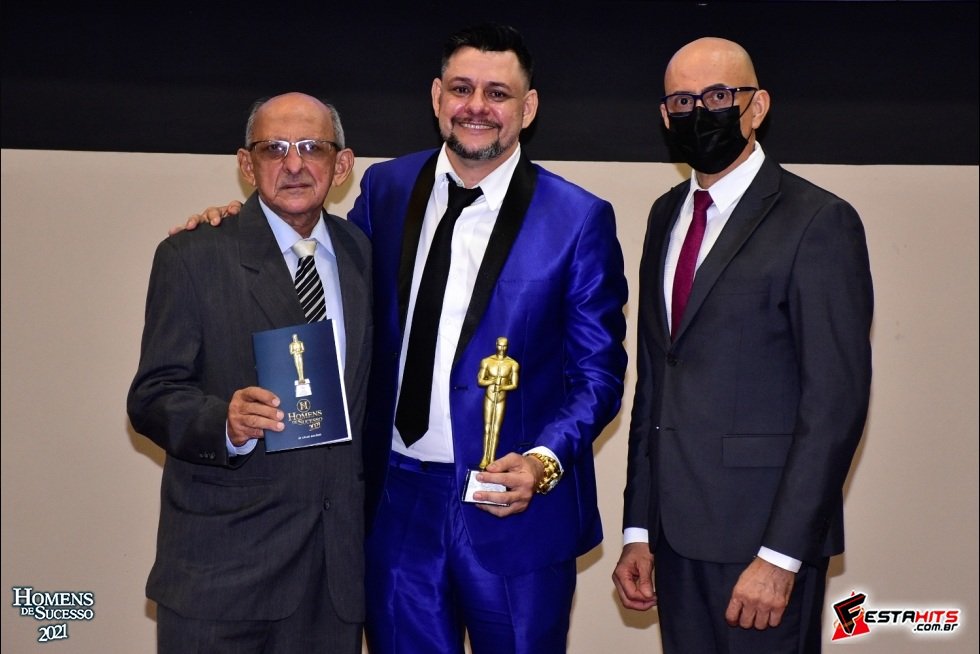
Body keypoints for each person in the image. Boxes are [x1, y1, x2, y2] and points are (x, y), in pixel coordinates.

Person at [178, 23, 627, 654]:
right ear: (437, 97)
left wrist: (543, 462)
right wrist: (238, 224)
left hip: (513, 507)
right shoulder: (386, 189)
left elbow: (598, 375)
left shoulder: (578, 218)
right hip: (395, 502)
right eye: (462, 89)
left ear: (528, 108)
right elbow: (316, 260)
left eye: (497, 93)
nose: (477, 106)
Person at [612, 37, 873, 654]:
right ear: (665, 115)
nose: (700, 111)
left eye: (718, 95)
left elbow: (833, 406)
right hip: (672, 543)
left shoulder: (818, 221)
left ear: (757, 107)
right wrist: (638, 529)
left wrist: (781, 556)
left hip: (761, 548)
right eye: (683, 101)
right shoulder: (664, 215)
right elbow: (656, 380)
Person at [128, 92, 372, 653]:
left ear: (341, 165)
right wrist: (225, 423)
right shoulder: (193, 256)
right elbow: (152, 396)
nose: (294, 164)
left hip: (333, 580)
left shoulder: (362, 254)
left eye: (311, 147)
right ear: (246, 164)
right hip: (224, 576)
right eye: (274, 149)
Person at [477, 336, 519, 469]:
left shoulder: (512, 364)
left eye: (504, 346)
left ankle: (492, 458)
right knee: (487, 428)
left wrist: (502, 386)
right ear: (496, 345)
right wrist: (492, 381)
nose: (502, 348)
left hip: (501, 398)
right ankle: (485, 457)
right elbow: (480, 381)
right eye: (500, 345)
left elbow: (514, 384)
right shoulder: (487, 361)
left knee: (496, 429)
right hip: (489, 396)